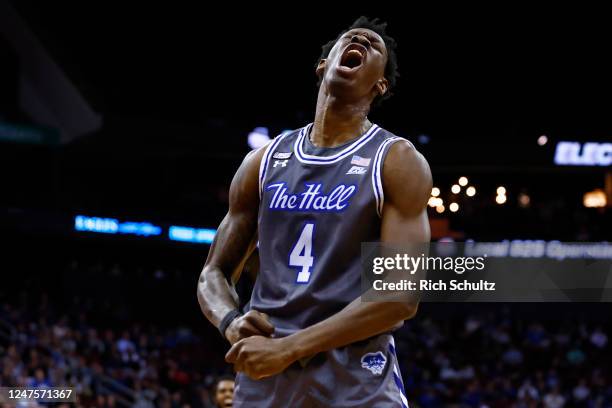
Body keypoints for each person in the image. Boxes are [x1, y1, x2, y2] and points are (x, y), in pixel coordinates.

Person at [197, 16, 431, 407]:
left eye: (374, 45)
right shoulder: (262, 161)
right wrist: (230, 322)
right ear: (323, 65)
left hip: (355, 376)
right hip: (266, 372)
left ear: (380, 85)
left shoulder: (396, 160)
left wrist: (289, 348)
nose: (359, 38)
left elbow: (399, 297)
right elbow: (213, 273)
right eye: (350, 37)